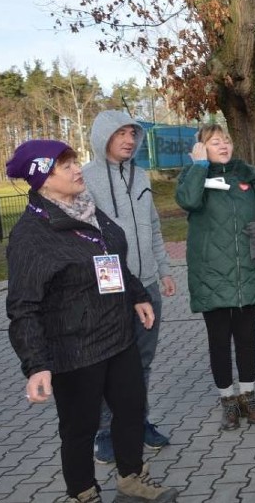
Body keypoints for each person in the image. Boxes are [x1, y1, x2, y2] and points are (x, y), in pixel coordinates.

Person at [6, 140, 178, 503]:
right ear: (42, 180)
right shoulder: (31, 235)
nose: (76, 169)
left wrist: (137, 296)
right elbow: (23, 306)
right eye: (64, 166)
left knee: (131, 408)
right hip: (74, 349)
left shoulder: (88, 211)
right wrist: (36, 365)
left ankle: (132, 476)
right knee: (80, 427)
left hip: (118, 336)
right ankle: (83, 492)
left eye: (74, 160)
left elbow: (112, 257)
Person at [82, 110, 175, 463]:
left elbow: (152, 227)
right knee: (110, 361)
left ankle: (138, 420)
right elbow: (87, 237)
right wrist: (112, 284)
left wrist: (164, 270)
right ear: (103, 136)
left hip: (148, 282)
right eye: (120, 133)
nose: (128, 140)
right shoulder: (87, 179)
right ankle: (105, 430)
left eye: (132, 133)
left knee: (143, 361)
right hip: (111, 290)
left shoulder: (141, 175)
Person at [175, 125, 255, 431]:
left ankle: (248, 396)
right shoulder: (193, 176)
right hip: (211, 272)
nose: (224, 145)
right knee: (219, 340)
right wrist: (199, 165)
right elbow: (188, 201)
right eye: (215, 142)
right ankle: (227, 401)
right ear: (201, 148)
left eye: (226, 140)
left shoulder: (248, 176)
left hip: (246, 270)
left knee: (246, 338)